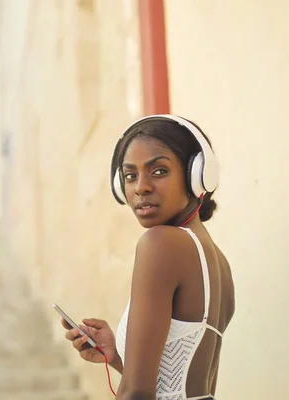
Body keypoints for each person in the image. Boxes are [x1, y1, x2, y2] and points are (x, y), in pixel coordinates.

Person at [61, 115, 235, 400]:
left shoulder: (160, 244)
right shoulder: (218, 262)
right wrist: (117, 357)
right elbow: (182, 383)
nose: (141, 187)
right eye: (130, 176)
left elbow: (138, 393)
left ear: (197, 175)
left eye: (158, 171)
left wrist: (131, 384)